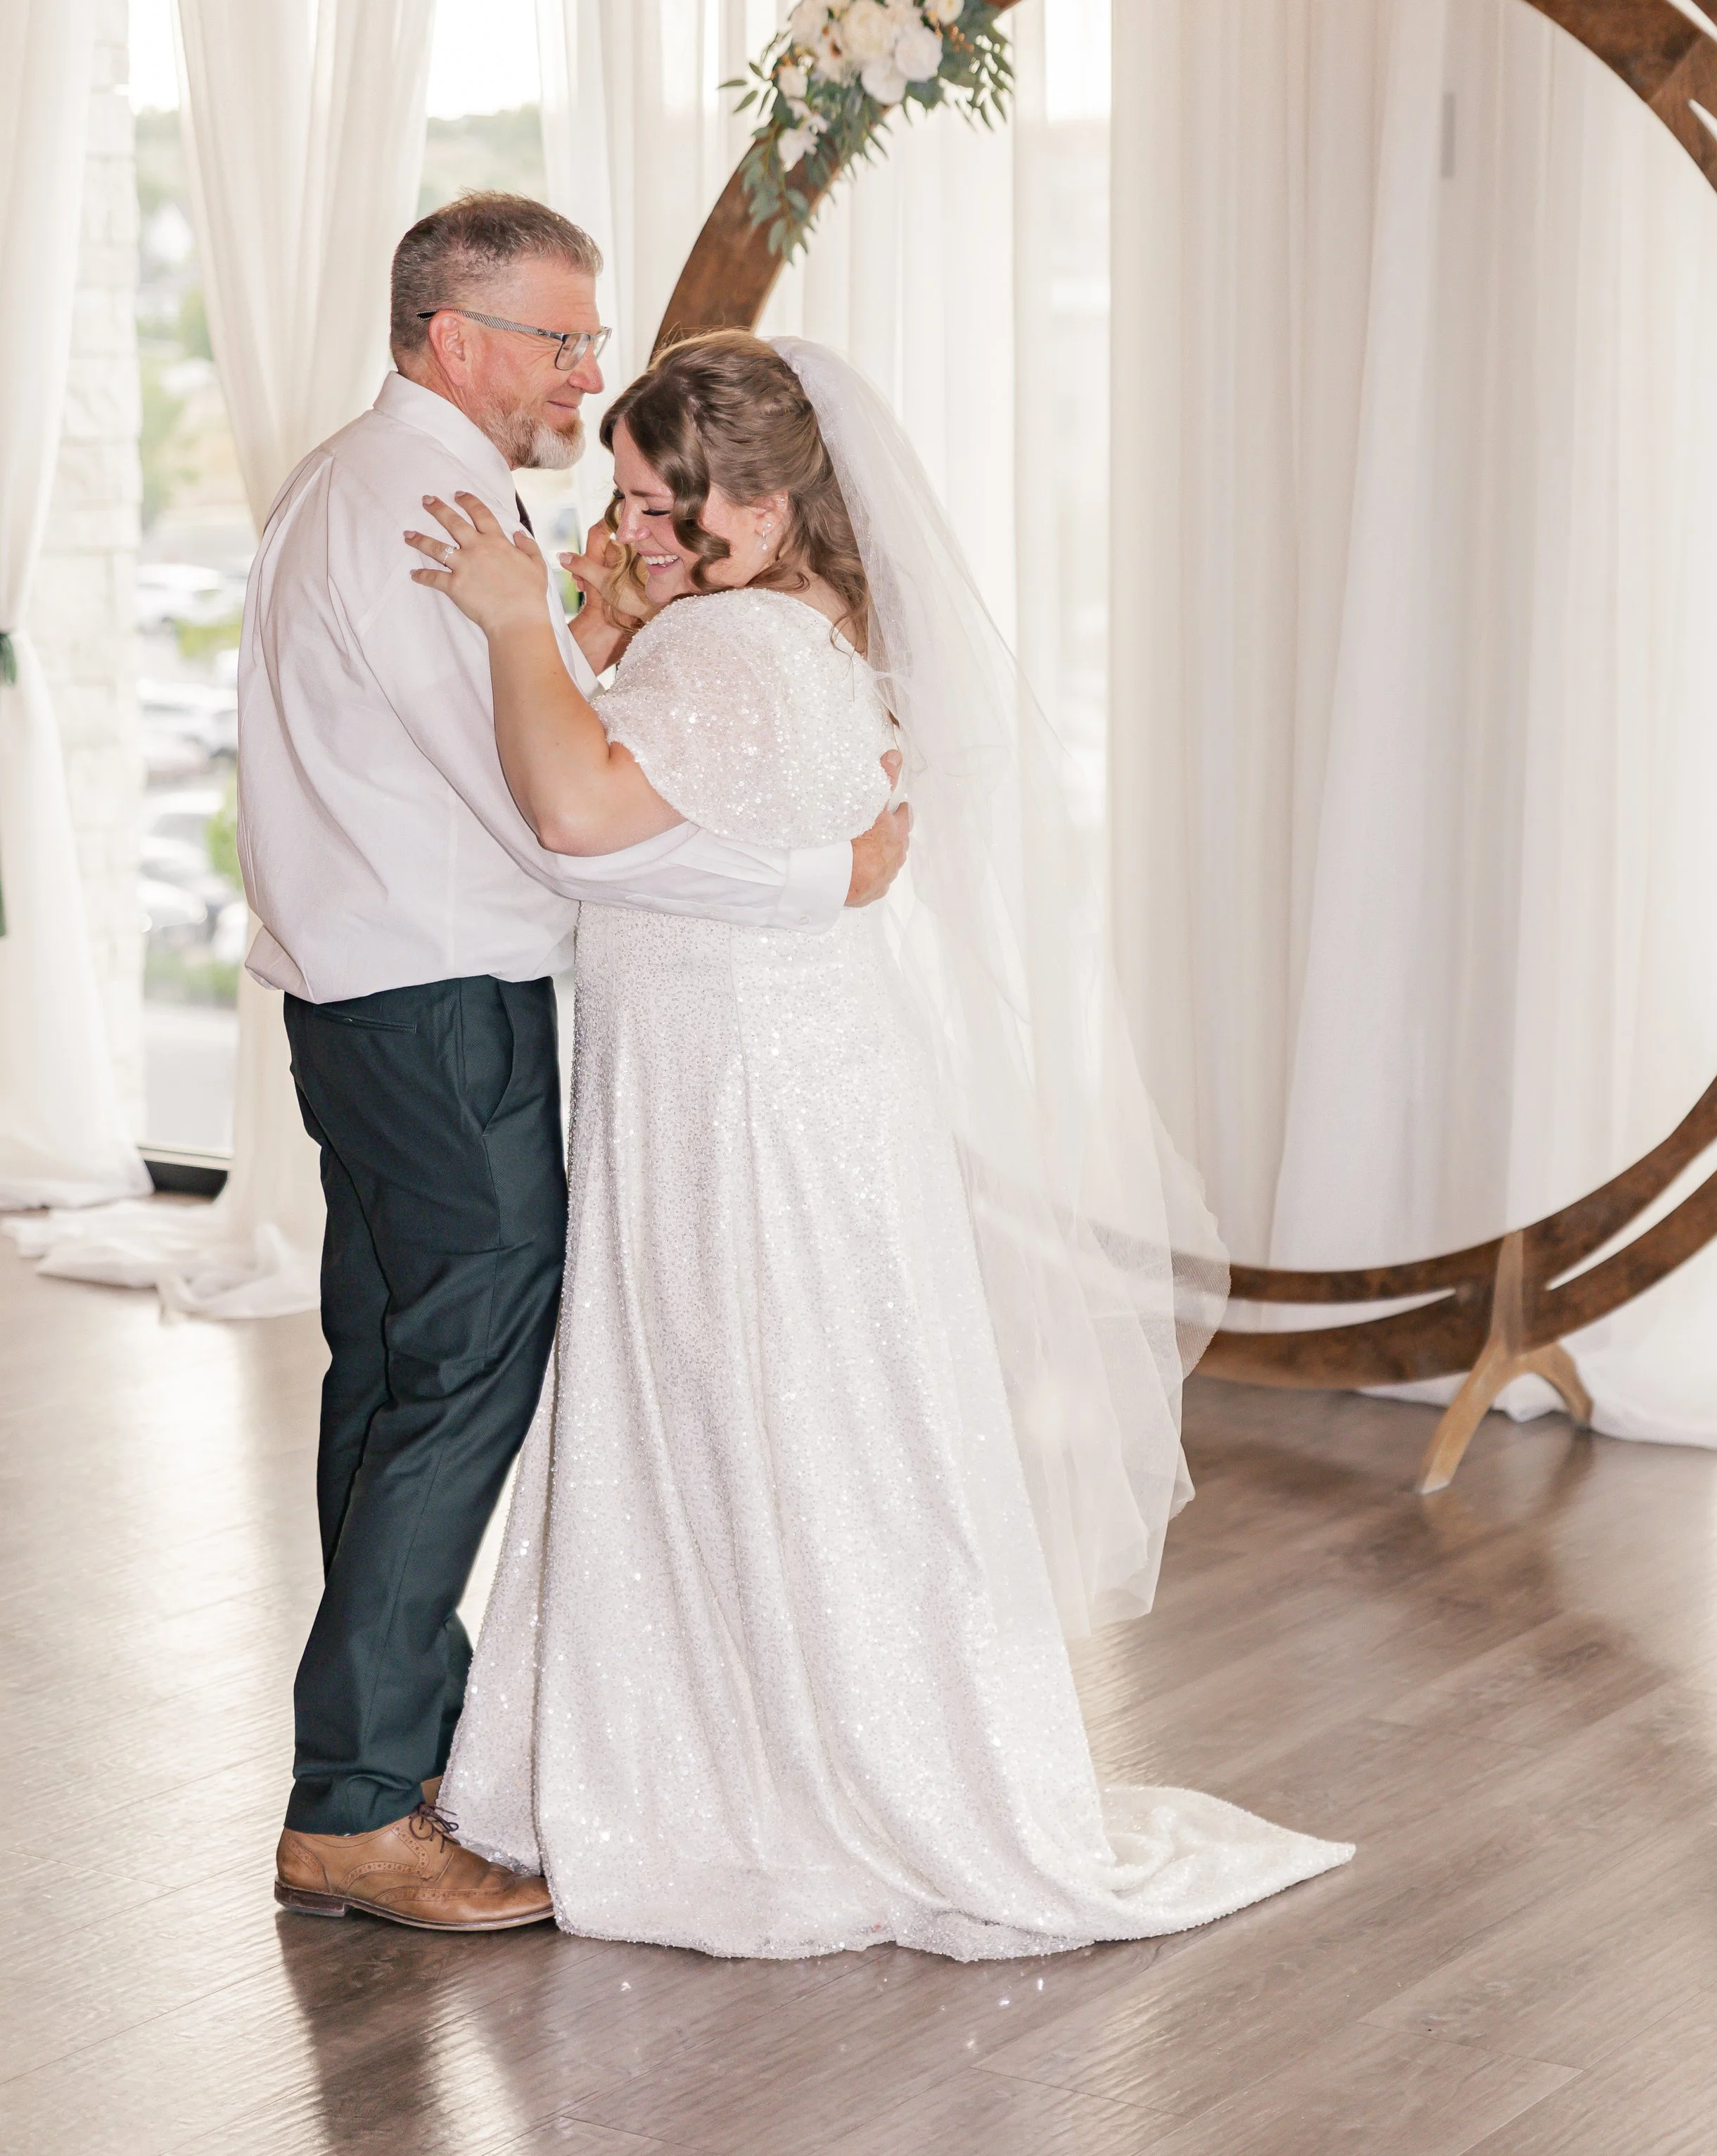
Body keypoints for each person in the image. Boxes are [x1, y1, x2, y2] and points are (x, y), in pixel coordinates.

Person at [410, 329, 1353, 1960]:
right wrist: (614, 626)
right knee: (797, 1414)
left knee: (752, 1408)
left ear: (766, 508)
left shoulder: (731, 652)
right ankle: (787, 1745)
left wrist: (518, 627)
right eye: (624, 496)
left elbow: (575, 822)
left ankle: (757, 1781)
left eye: (659, 503)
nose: (622, 528)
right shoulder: (780, 630)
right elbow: (698, 855)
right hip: (772, 1078)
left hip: (739, 1097)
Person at [239, 198, 909, 1934]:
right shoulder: (426, 511)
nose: (587, 369)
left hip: (368, 998)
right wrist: (815, 876)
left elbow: (514, 754)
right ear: (454, 339)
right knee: (456, 1381)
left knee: (395, 1381)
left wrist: (576, 636)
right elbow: (565, 825)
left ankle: (389, 1751)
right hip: (443, 1004)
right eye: (560, 340)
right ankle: (359, 1804)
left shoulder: (363, 481)